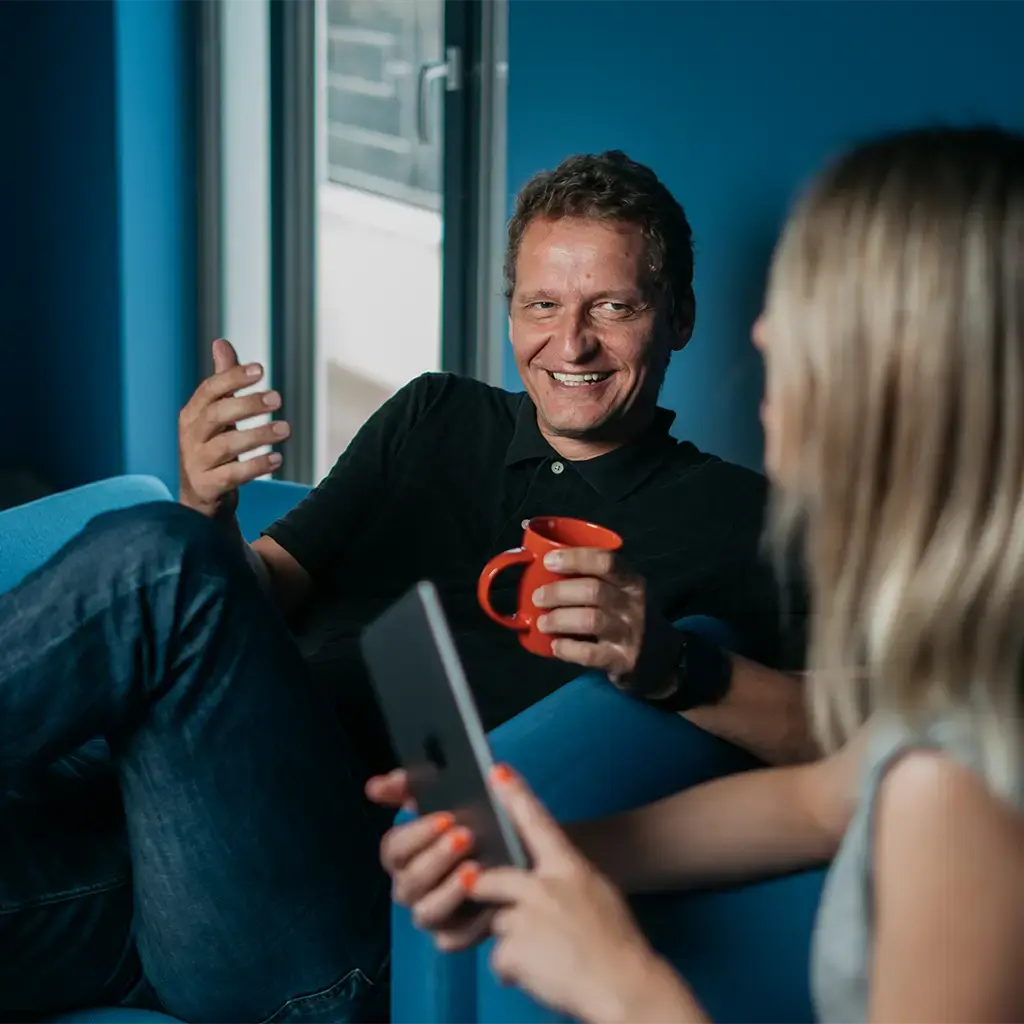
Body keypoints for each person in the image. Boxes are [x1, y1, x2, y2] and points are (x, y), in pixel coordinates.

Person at [1, 152, 807, 1023]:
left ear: (678, 317)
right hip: (169, 845)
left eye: (612, 307)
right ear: (511, 312)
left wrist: (673, 663)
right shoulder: (432, 417)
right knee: (176, 550)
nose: (570, 344)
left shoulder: (740, 518)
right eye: (542, 305)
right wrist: (211, 505)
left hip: (327, 920)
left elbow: (850, 743)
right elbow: (255, 596)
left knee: (157, 555)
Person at [374, 127, 1024, 1023]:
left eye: (809, 305)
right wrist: (533, 855)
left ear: (927, 378)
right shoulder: (973, 685)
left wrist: (621, 986)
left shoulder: (966, 795)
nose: (761, 329)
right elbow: (814, 801)